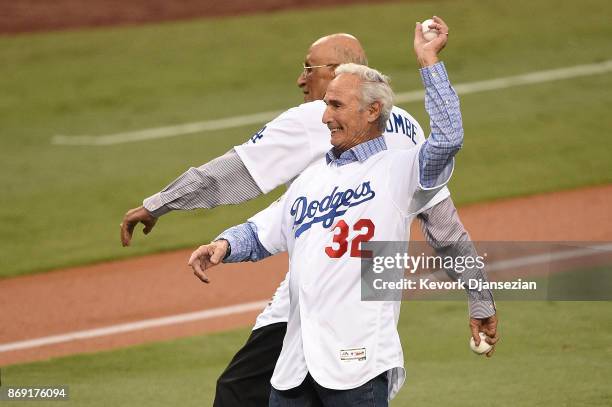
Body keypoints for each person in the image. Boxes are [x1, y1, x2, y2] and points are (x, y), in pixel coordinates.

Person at [120, 17, 499, 407]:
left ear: (360, 98)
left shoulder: (370, 151)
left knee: (236, 394)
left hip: (341, 328)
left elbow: (233, 173)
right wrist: (225, 244)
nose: (306, 87)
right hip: (323, 323)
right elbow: (444, 229)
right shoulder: (351, 157)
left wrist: (160, 203)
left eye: (310, 70)